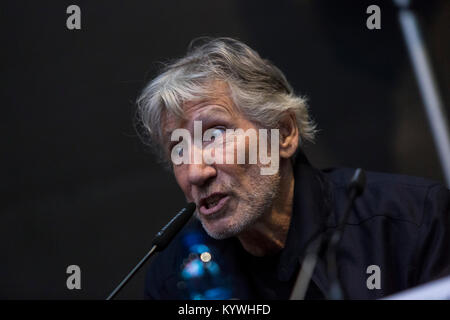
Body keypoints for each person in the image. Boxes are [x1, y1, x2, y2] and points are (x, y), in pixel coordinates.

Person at [136, 37, 450, 299]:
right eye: (178, 148)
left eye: (216, 135)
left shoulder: (412, 221)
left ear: (284, 133)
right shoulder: (174, 278)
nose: (195, 172)